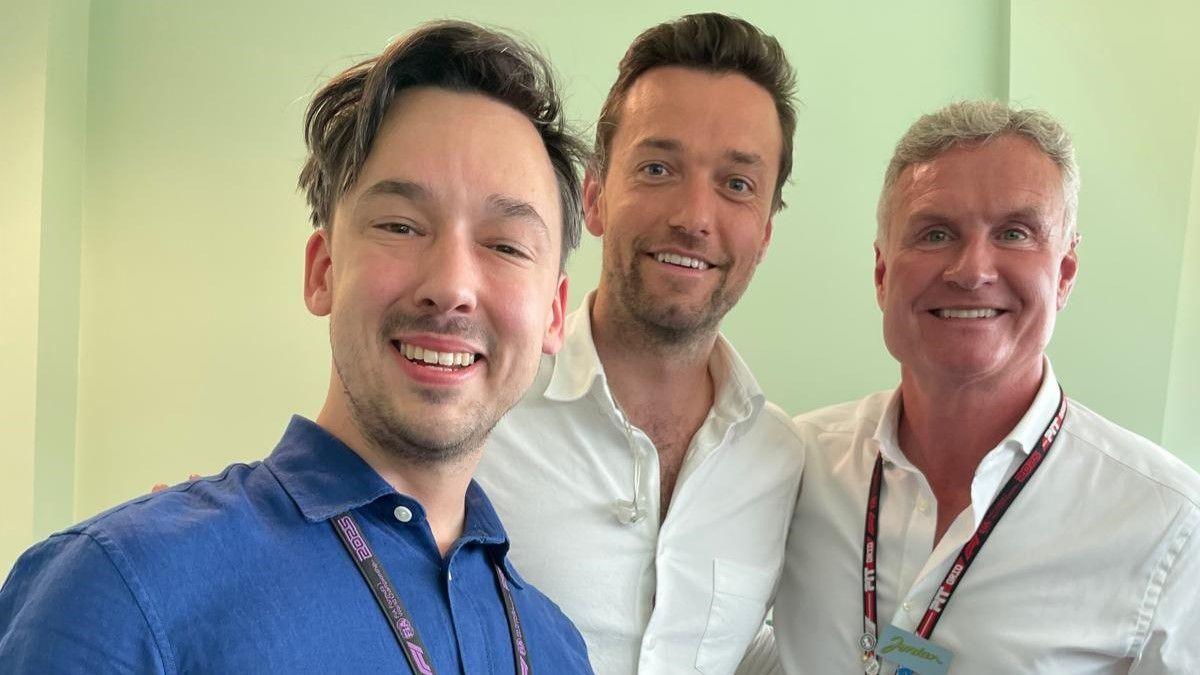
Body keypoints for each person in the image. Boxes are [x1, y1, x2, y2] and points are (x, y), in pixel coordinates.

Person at [0, 21, 594, 673]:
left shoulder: (556, 646)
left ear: (554, 315)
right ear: (323, 271)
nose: (450, 286)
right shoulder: (121, 588)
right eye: (400, 225)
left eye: (505, 244)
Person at [760, 101, 1200, 673]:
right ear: (881, 273)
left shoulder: (1167, 524)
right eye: (935, 233)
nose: (971, 271)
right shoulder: (794, 464)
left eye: (1015, 233)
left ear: (1064, 274)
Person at [475, 13, 805, 674]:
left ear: (765, 231)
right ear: (593, 196)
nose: (694, 218)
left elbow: (740, 650)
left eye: (737, 185)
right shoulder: (484, 411)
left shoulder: (781, 460)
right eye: (657, 168)